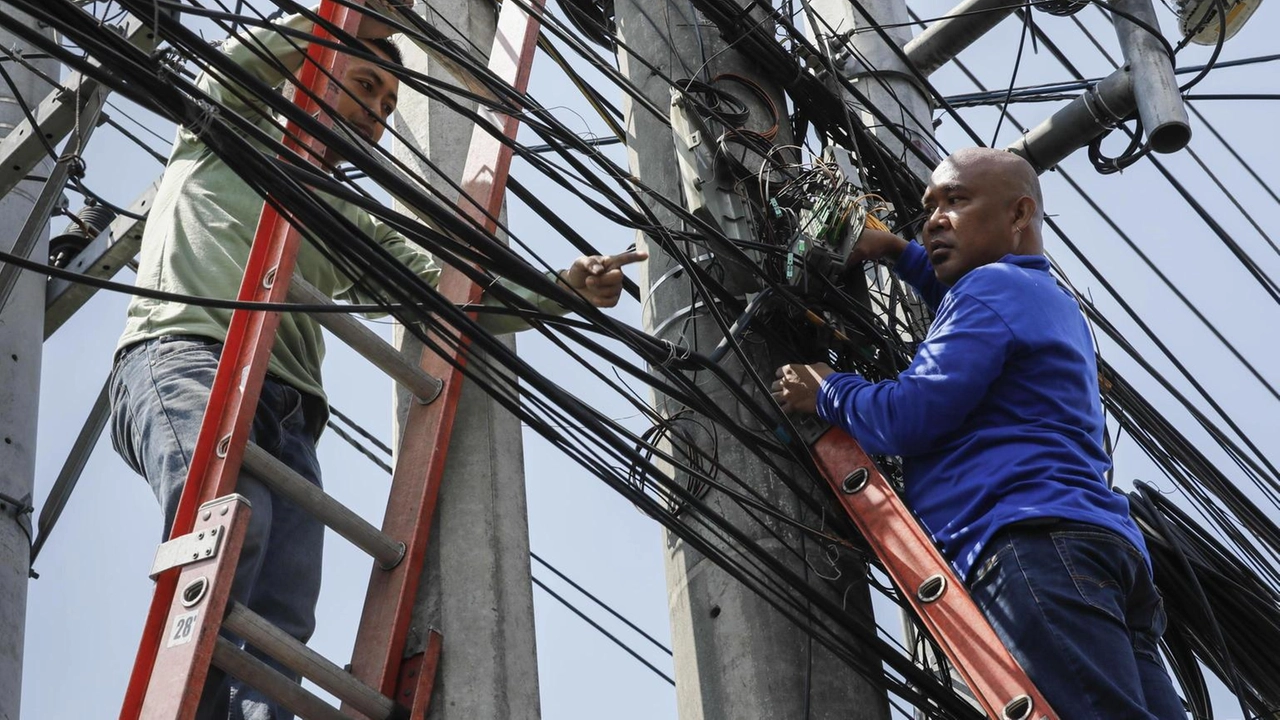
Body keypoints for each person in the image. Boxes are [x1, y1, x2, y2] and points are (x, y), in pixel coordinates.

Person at [108, 6, 643, 719]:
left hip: (291, 416)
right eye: (364, 85)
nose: (378, 113)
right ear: (307, 72)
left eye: (390, 104)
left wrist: (560, 293)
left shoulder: (344, 219)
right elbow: (238, 61)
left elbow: (446, 296)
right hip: (186, 357)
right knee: (233, 536)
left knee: (284, 615)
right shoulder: (224, 127)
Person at [771, 148, 1185, 719]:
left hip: (1028, 543)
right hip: (1101, 552)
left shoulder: (988, 291)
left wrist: (826, 390)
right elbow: (970, 305)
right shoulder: (1044, 300)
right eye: (929, 207)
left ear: (1019, 215)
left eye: (956, 201)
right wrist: (897, 251)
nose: (934, 218)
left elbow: (909, 416)